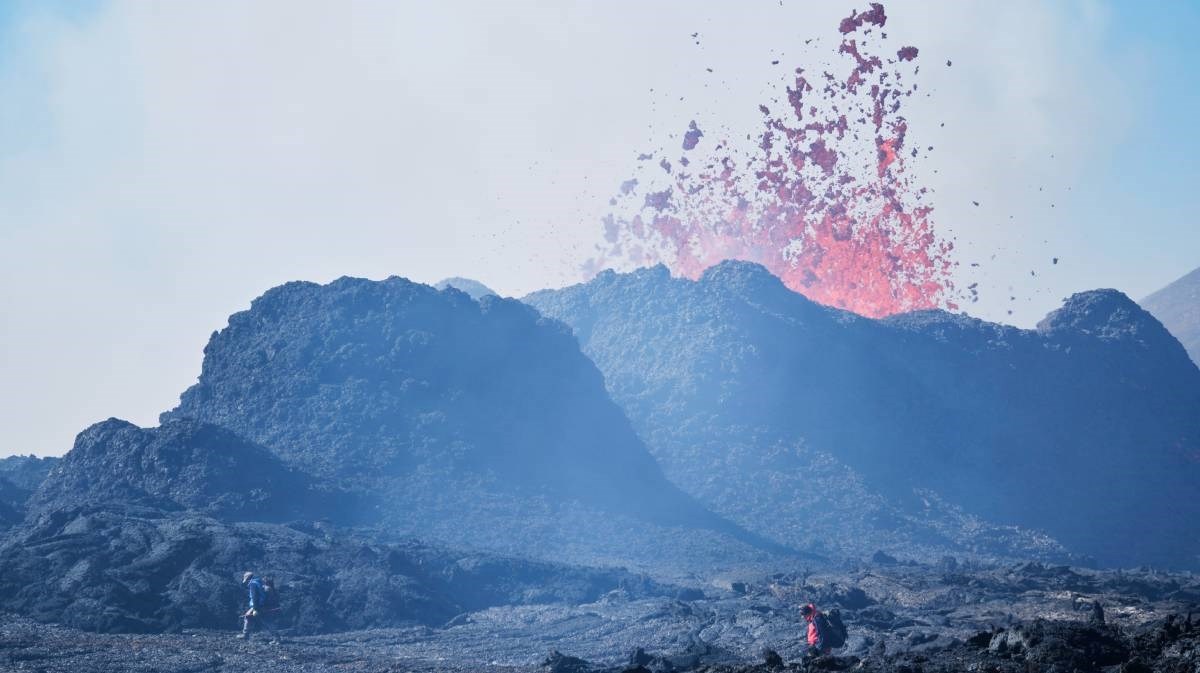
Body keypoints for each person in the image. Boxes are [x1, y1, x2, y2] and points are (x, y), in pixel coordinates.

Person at [238, 571, 266, 640]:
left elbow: (254, 597)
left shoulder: (253, 584)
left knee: (265, 621)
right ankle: (245, 634)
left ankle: (245, 635)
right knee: (249, 617)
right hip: (261, 604)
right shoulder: (258, 582)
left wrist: (255, 609)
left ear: (248, 579)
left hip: (257, 605)